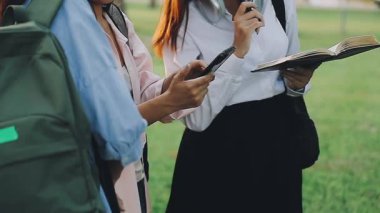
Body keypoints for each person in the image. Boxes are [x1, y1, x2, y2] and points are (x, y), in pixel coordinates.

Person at [153, 0, 319, 212]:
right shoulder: (184, 15)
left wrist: (299, 83)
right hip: (216, 156)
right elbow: (196, 118)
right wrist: (237, 51)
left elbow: (291, 69)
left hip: (277, 147)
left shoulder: (280, 3)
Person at [89, 1, 214, 212]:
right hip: (97, 182)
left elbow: (142, 88)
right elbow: (102, 128)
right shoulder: (69, 32)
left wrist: (172, 84)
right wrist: (169, 101)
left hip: (135, 169)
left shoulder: (116, 20)